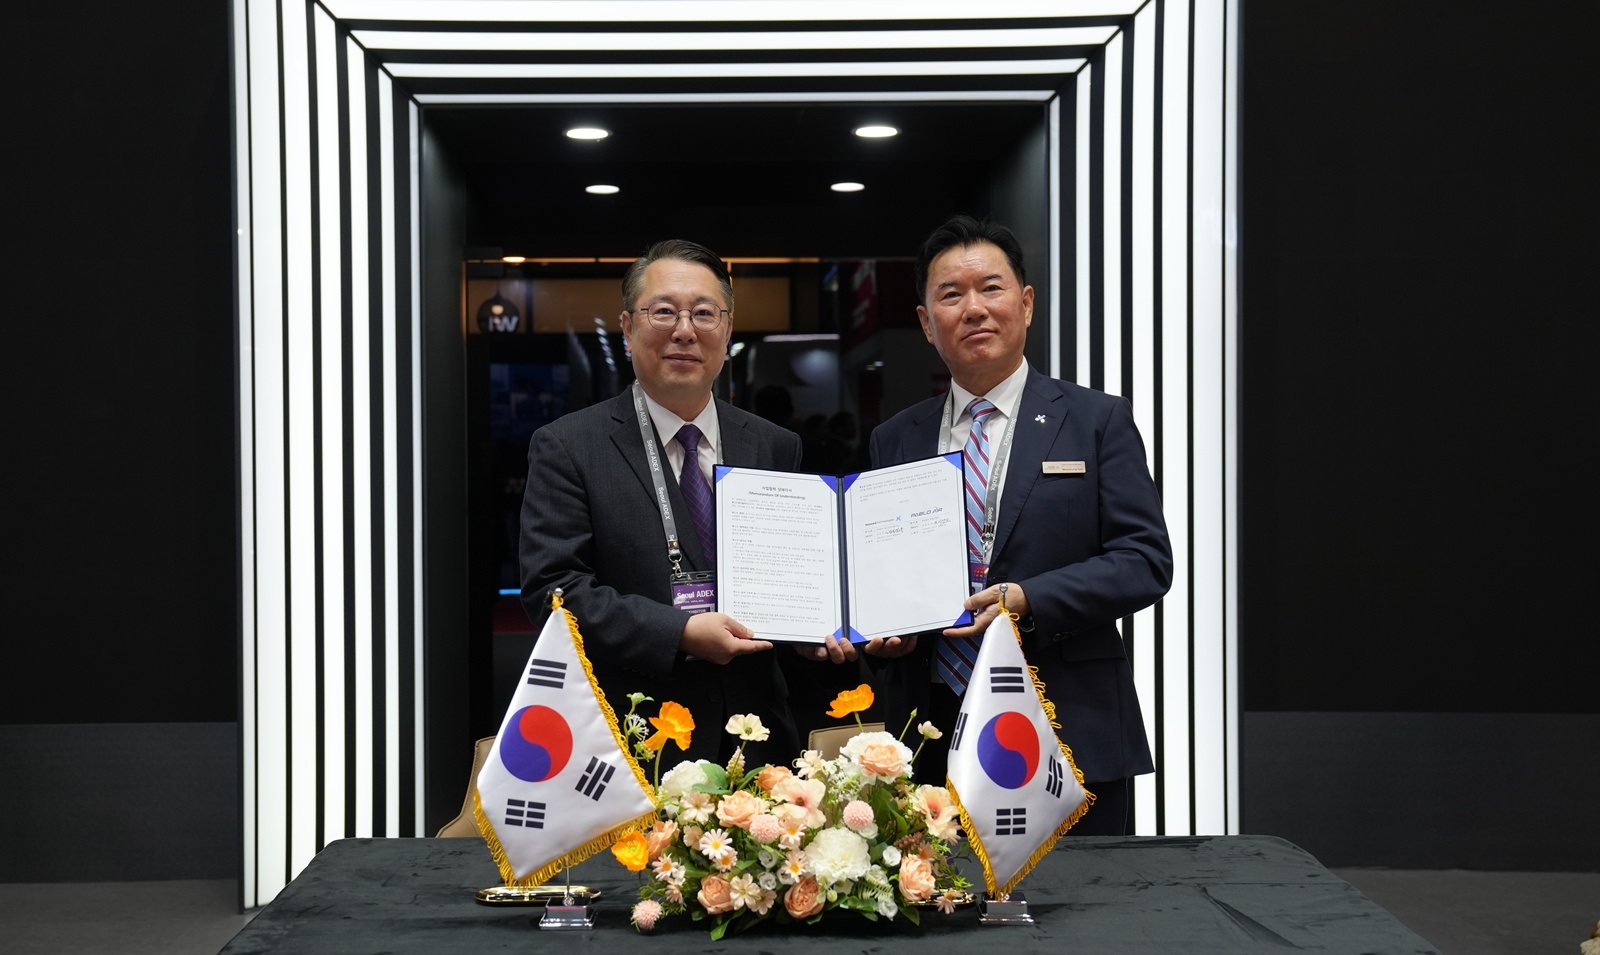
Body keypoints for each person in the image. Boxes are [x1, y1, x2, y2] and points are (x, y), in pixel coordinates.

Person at [863, 215, 1173, 835]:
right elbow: (883, 572)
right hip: (930, 727)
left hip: (1068, 724)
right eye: (951, 294)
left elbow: (1145, 560)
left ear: (1026, 304)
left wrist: (1029, 597)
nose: (974, 308)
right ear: (926, 322)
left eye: (991, 288)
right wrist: (883, 627)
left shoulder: (1096, 420)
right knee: (936, 891)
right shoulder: (895, 438)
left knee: (1086, 896)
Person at [518, 239, 854, 767]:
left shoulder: (774, 445)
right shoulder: (570, 446)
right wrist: (679, 633)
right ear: (627, 327)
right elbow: (552, 592)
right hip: (634, 744)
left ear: (727, 328)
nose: (684, 330)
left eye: (703, 313)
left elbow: (793, 575)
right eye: (663, 311)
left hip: (759, 739)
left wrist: (811, 630)